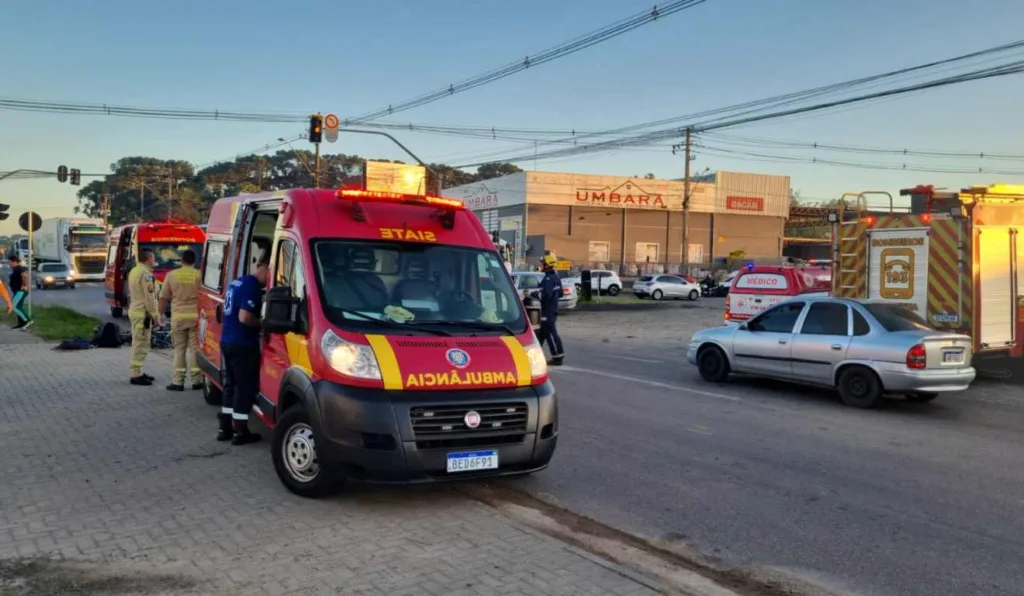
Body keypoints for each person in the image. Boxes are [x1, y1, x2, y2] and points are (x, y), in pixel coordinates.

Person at [217, 258, 269, 445]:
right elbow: (245, 317)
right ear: (265, 268)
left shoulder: (237, 282)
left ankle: (225, 429)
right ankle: (240, 432)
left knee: (230, 385)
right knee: (245, 387)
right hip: (243, 343)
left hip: (227, 340)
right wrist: (262, 323)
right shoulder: (252, 287)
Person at [159, 249, 201, 392]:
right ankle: (197, 380)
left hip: (178, 317)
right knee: (195, 350)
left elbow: (164, 297)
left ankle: (178, 382)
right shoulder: (199, 275)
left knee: (179, 350)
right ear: (194, 261)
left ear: (181, 261)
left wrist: (160, 314)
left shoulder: (171, 275)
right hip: (195, 318)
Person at [127, 250, 162, 386]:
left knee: (138, 342)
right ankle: (136, 375)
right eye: (153, 257)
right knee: (141, 344)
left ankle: (139, 371)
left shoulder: (135, 271)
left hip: (136, 310)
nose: (154, 260)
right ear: (148, 259)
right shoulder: (146, 274)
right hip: (142, 313)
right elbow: (150, 298)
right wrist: (156, 316)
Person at [536, 255, 565, 365]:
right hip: (552, 309)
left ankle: (558, 356)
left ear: (547, 265)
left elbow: (544, 296)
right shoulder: (556, 278)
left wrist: (533, 294)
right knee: (541, 334)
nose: (541, 265)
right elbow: (560, 293)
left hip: (546, 311)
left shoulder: (548, 279)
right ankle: (532, 355)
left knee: (550, 333)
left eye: (543, 263)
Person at [7, 255, 32, 329]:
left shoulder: (18, 268)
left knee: (13, 306)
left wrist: (24, 285)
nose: (9, 264)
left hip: (20, 291)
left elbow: (25, 276)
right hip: (17, 291)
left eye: (9, 262)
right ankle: (21, 323)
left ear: (13, 262)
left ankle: (27, 320)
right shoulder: (16, 269)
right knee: (18, 307)